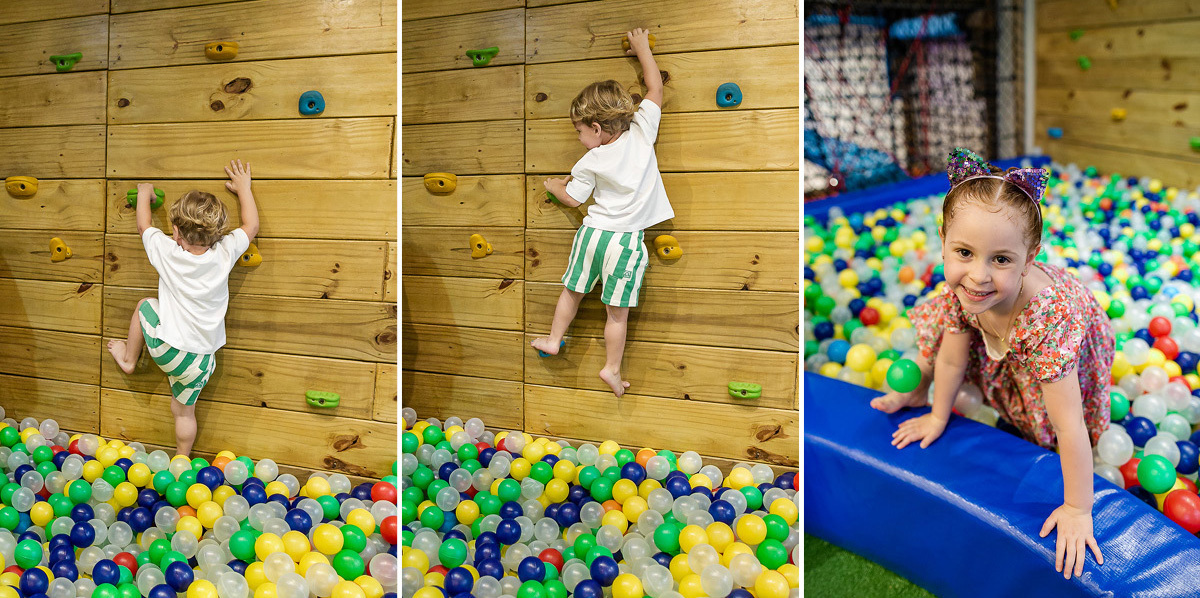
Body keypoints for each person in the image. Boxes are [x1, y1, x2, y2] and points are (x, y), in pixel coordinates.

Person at [871, 148, 1112, 580]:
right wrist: (937, 415)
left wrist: (1077, 507)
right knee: (947, 342)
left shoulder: (1047, 320)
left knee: (1045, 414)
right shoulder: (968, 291)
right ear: (943, 238)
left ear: (1030, 256)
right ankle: (916, 386)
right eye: (964, 252)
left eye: (1001, 259)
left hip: (1053, 341)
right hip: (1003, 328)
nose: (979, 275)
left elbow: (1069, 423)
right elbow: (951, 357)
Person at [530, 28, 674, 398]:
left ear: (596, 128)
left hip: (593, 236)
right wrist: (642, 49)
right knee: (616, 314)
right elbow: (655, 90)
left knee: (571, 292)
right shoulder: (642, 131)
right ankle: (611, 368)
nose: (579, 138)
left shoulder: (589, 160)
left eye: (579, 131)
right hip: (625, 242)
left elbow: (574, 200)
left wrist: (552, 186)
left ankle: (553, 339)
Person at [107, 159, 259, 457]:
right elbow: (251, 225)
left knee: (145, 305)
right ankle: (181, 460)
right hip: (201, 363)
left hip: (170, 352)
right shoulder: (225, 252)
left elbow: (143, 225)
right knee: (183, 413)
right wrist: (243, 188)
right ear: (216, 233)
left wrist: (144, 192)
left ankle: (128, 358)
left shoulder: (167, 251)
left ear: (176, 232)